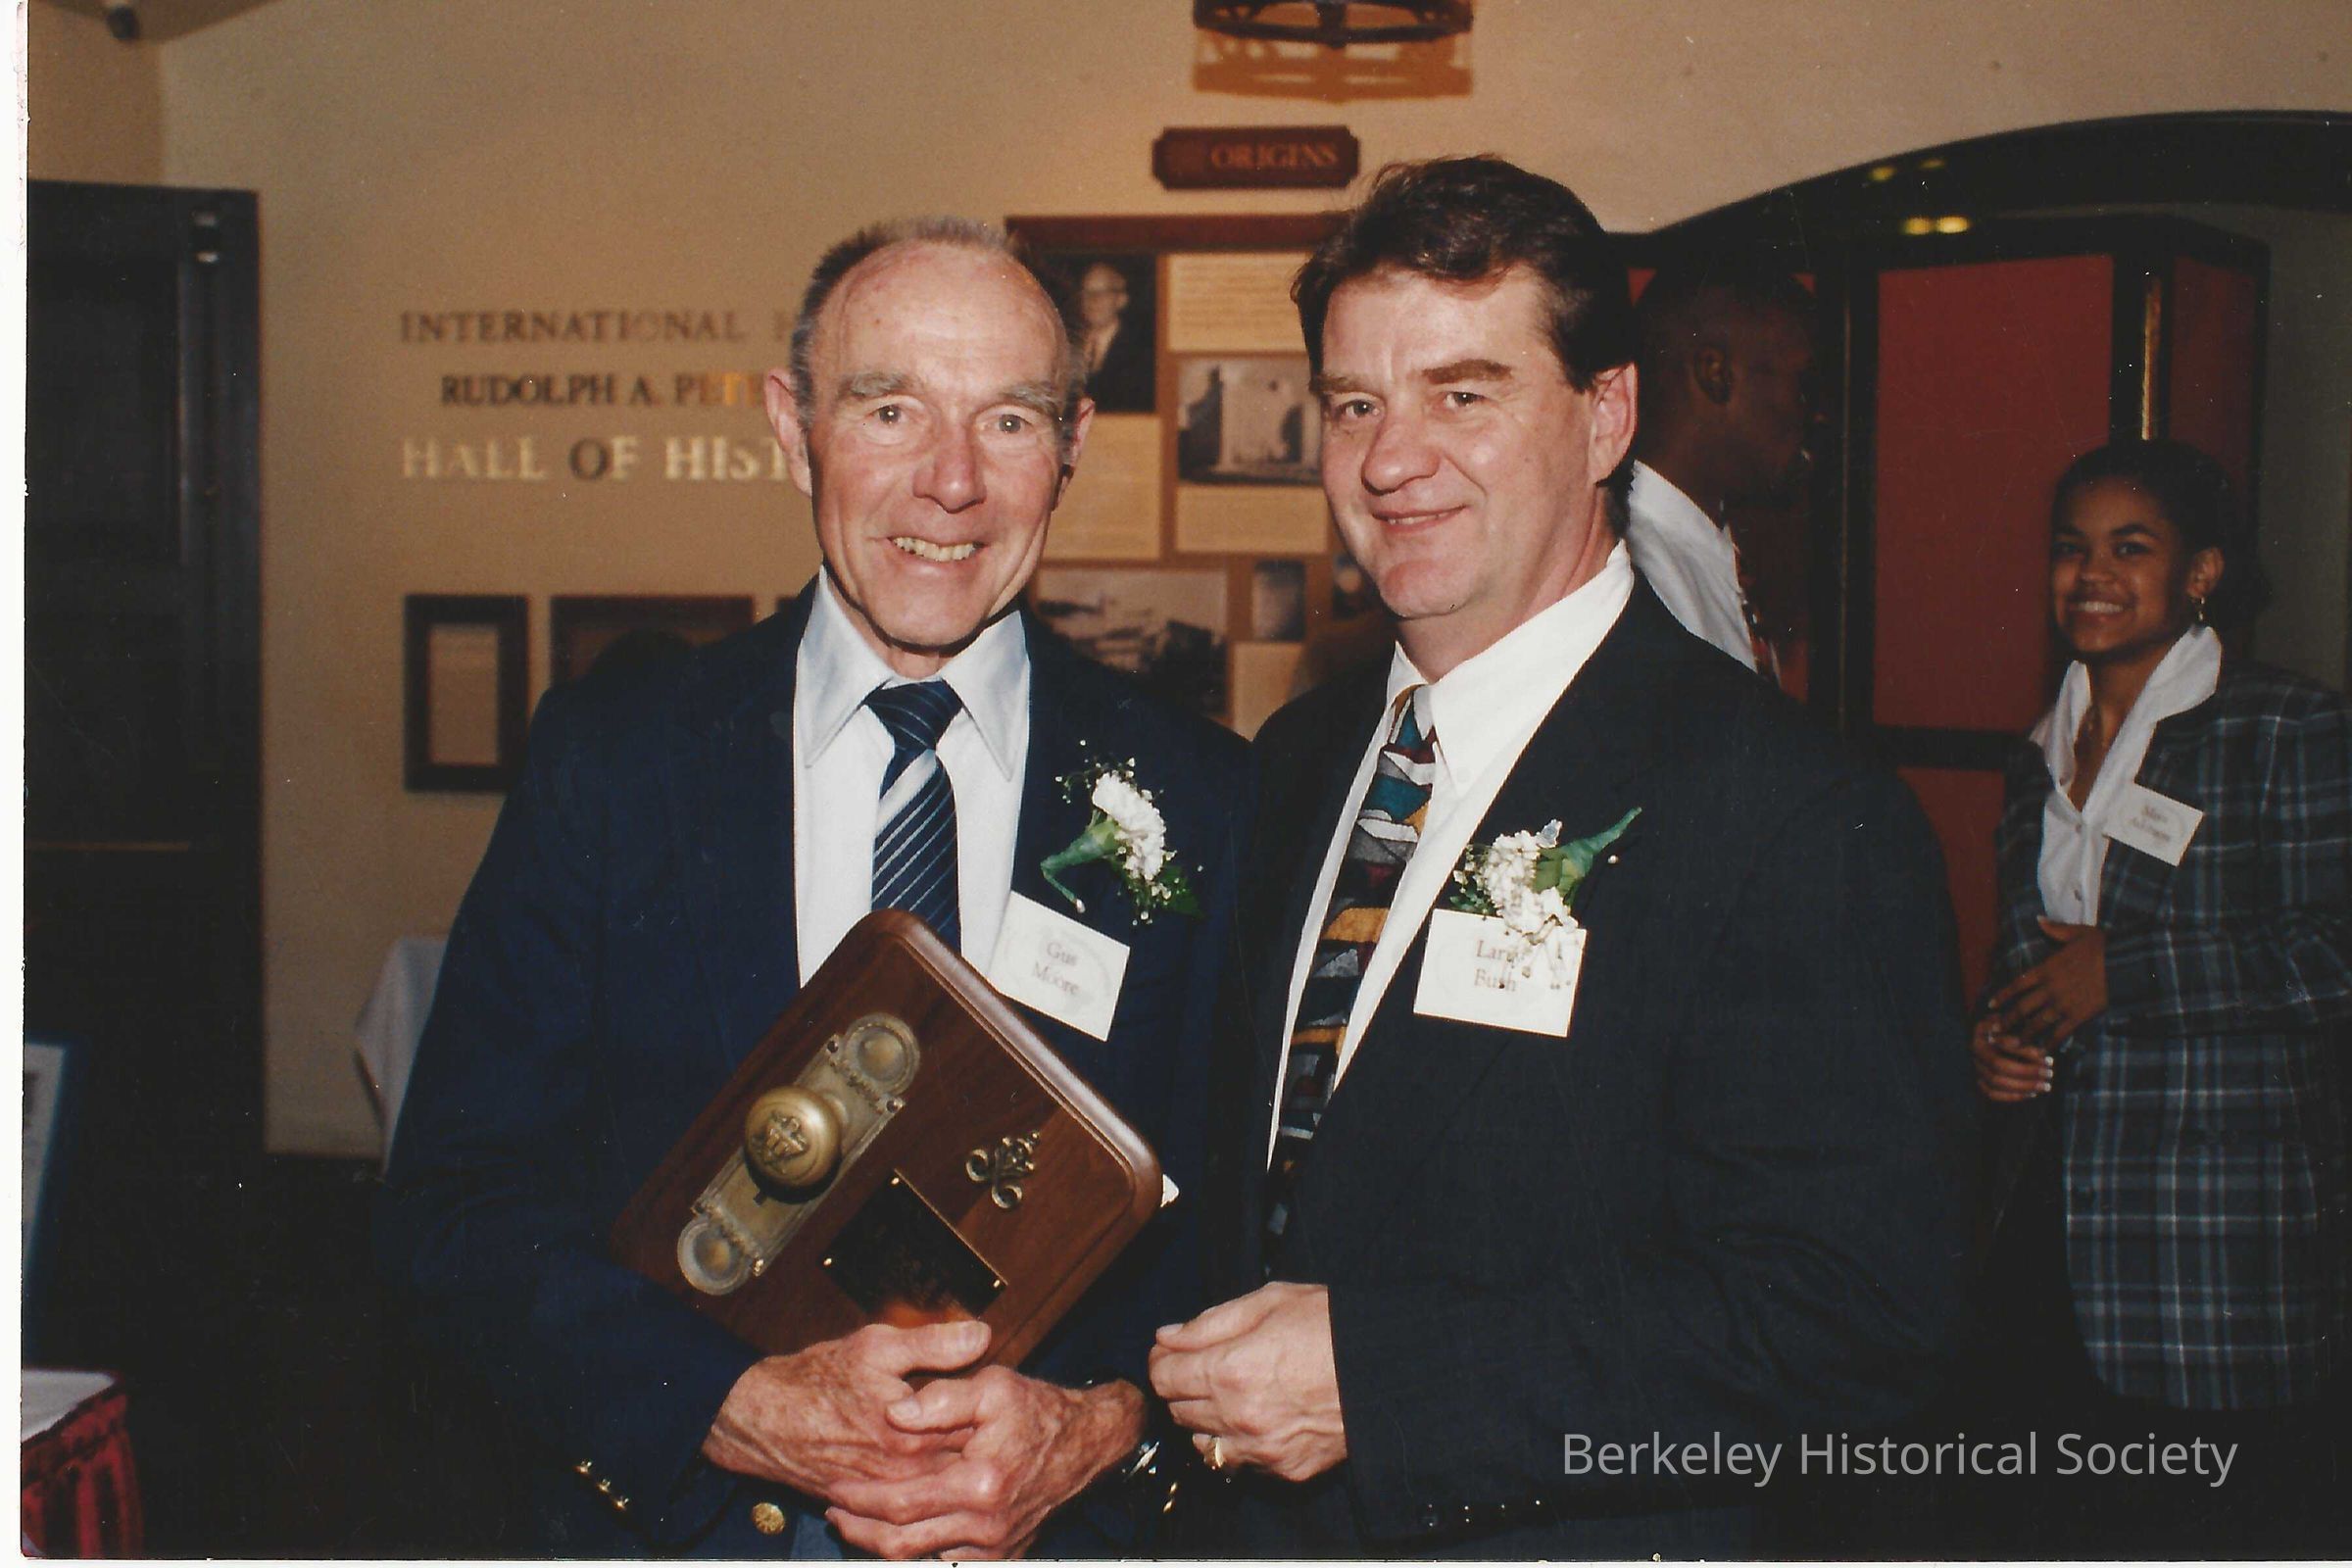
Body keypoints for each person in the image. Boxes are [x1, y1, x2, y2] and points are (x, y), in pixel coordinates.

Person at [377, 218, 1249, 1558]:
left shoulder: (1200, 797)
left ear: (1071, 446)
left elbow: (1233, 1235)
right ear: (794, 431)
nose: (951, 482)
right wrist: (727, 1404)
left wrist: (1098, 1426)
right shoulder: (619, 765)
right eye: (890, 409)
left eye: (1009, 421)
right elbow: (457, 1205)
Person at [1148, 156, 1972, 1558]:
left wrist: (1386, 1384)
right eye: (1355, 404)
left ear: (1607, 417)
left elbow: (1861, 1316)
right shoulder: (1298, 760)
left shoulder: (1789, 815)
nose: (1391, 459)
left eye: (1463, 395)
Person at [1967, 437, 2350, 1556]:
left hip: (2211, 1237)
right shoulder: (2036, 753)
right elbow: (2026, 957)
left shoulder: (2282, 726)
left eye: (2130, 548)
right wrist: (1998, 1033)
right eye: (2071, 548)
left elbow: (2335, 951)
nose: (2091, 574)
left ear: (2201, 573)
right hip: (2051, 1218)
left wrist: (2124, 971)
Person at [1625, 259, 1819, 678]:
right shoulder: (1634, 582)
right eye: (1804, 386)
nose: (1816, 415)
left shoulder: (1699, 554)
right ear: (1715, 375)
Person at [1075, 259, 1153, 414]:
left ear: (1121, 300)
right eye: (1087, 292)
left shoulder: (1141, 351)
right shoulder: (1069, 345)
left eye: (1102, 293)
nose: (1093, 300)